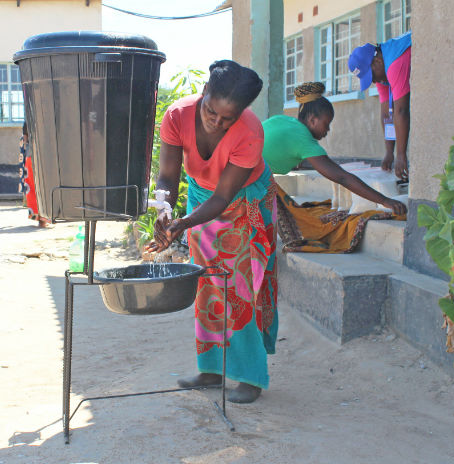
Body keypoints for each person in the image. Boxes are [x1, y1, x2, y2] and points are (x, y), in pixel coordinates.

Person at [146, 60, 276, 404]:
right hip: (202, 199)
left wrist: (183, 224)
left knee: (238, 286)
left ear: (242, 114)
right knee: (205, 282)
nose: (215, 122)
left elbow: (224, 196)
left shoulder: (250, 132)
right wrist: (166, 210)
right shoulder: (176, 116)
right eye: (210, 111)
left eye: (226, 119)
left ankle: (250, 376)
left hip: (243, 202)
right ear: (203, 93)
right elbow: (168, 178)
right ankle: (211, 369)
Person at [262, 82, 406, 253]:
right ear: (312, 120)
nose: (328, 130)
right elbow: (342, 177)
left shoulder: (285, 121)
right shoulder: (303, 139)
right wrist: (384, 200)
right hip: (247, 178)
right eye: (326, 123)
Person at [348, 31, 411, 181]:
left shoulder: (394, 64)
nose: (375, 81)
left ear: (377, 62)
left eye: (372, 76)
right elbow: (387, 114)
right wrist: (389, 152)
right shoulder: (381, 74)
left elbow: (401, 111)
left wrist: (401, 155)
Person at [19, 122, 49, 227]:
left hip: (31, 155)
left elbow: (24, 139)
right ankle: (44, 218)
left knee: (32, 186)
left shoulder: (29, 118)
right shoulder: (48, 115)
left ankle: (39, 217)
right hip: (46, 155)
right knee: (45, 186)